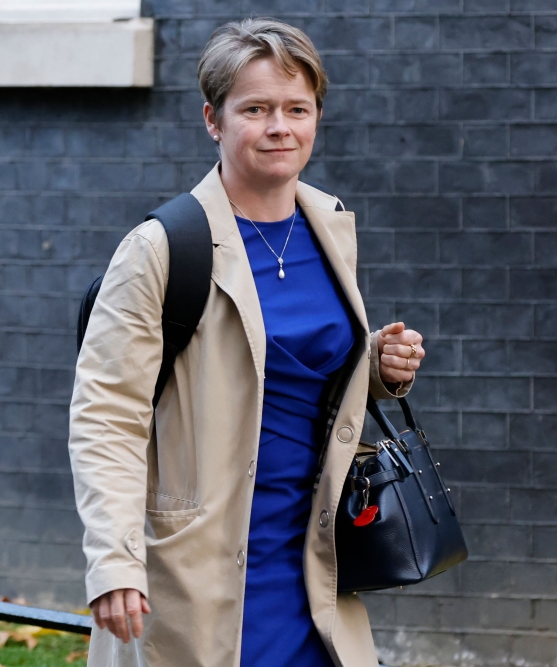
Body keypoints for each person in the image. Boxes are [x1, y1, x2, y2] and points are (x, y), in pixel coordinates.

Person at [68, 18, 427, 667]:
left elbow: (276, 363)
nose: (278, 127)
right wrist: (114, 561)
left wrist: (373, 365)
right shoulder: (159, 248)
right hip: (199, 568)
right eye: (255, 108)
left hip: (311, 559)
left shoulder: (329, 225)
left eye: (297, 108)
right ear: (214, 119)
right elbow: (106, 417)